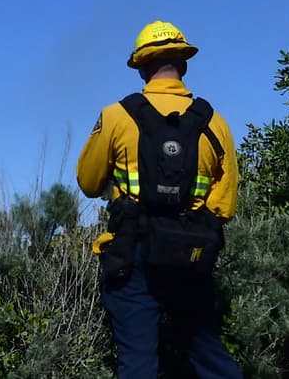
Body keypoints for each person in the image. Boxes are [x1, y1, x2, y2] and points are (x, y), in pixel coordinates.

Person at [77, 21, 242, 378]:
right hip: (192, 256)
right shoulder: (216, 124)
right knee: (208, 352)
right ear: (183, 65)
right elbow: (224, 204)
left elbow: (88, 183)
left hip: (131, 252)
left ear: (141, 68)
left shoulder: (117, 116)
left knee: (138, 361)